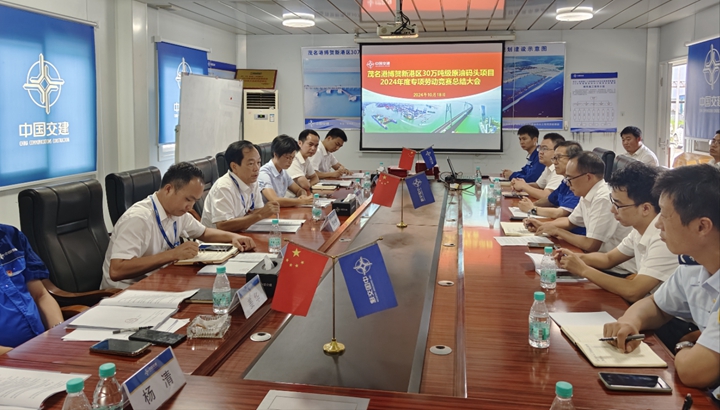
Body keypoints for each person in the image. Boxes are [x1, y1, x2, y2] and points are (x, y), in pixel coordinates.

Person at [603, 164, 720, 391]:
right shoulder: (693, 265)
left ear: (702, 226)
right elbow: (656, 304)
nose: (657, 223)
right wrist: (630, 321)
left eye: (665, 215)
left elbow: (694, 372)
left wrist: (684, 345)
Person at [102, 162, 257, 289]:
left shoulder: (177, 213)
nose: (190, 207)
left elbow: (204, 232)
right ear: (168, 189)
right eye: (188, 199)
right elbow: (117, 270)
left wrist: (234, 237)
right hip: (126, 291)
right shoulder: (138, 219)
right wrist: (173, 254)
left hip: (158, 281)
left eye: (195, 201)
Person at [555, 162, 677, 302]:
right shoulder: (639, 228)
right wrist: (573, 258)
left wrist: (583, 270)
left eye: (619, 205)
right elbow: (608, 259)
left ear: (645, 209)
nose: (612, 210)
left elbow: (633, 291)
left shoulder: (663, 238)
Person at [527, 152, 635, 275]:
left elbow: (591, 245)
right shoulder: (587, 192)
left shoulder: (603, 198)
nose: (568, 183)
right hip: (597, 260)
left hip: (617, 269)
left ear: (588, 177)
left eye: (570, 179)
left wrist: (557, 231)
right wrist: (544, 226)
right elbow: (570, 221)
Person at [0, 224, 64, 354]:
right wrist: (18, 354)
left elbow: (40, 295)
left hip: (40, 344)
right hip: (8, 357)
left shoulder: (12, 236)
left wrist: (58, 333)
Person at [201, 141, 280, 231]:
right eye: (251, 164)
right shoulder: (224, 187)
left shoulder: (252, 181)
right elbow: (222, 225)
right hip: (218, 238)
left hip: (240, 232)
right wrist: (259, 215)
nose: (257, 168)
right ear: (234, 167)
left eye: (258, 162)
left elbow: (258, 209)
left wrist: (261, 213)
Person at [517, 141, 583, 220]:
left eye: (559, 158)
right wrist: (531, 204)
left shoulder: (579, 183)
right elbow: (549, 200)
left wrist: (532, 209)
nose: (554, 162)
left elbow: (560, 213)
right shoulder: (565, 181)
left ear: (573, 159)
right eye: (554, 158)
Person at [258, 135, 314, 207]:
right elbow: (274, 200)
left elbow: (299, 190)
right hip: (267, 212)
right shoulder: (264, 173)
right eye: (287, 157)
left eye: (292, 158)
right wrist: (301, 201)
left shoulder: (283, 171)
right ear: (276, 154)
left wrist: (303, 196)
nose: (290, 161)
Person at [511, 133, 565, 199]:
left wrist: (524, 186)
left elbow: (546, 196)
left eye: (545, 148)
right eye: (540, 148)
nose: (540, 152)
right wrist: (521, 184)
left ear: (557, 151)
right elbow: (538, 186)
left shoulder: (560, 169)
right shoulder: (548, 167)